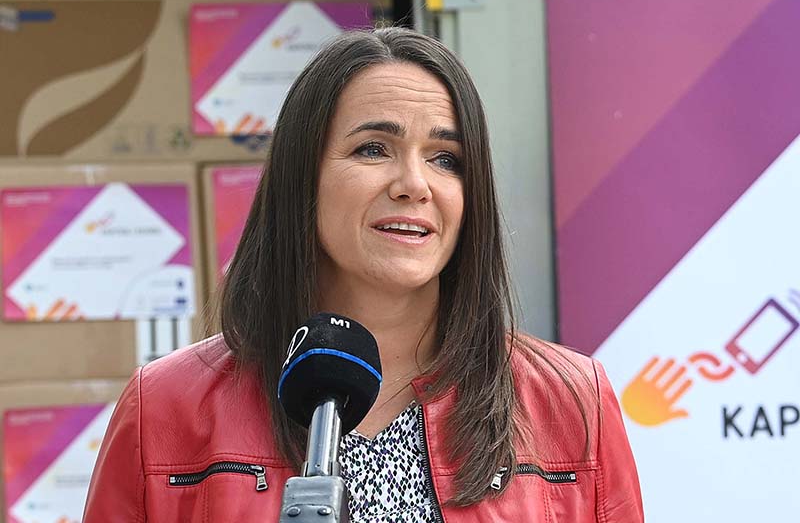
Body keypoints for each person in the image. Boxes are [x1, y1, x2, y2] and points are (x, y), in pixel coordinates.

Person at [84, 26, 643, 522]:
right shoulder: (165, 407)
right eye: (374, 149)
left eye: (446, 159)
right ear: (302, 178)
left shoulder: (573, 401)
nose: (414, 184)